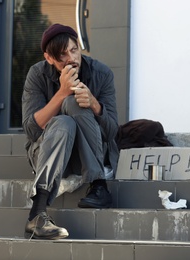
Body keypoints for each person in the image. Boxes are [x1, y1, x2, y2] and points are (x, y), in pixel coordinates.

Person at [21, 23, 119, 240]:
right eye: (62, 55)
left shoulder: (101, 73)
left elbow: (112, 132)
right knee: (64, 121)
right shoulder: (37, 74)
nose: (71, 58)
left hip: (89, 153)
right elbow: (30, 129)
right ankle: (37, 213)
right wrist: (62, 93)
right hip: (52, 154)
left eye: (74, 50)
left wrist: (94, 104)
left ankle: (98, 185)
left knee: (75, 105)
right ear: (49, 58)